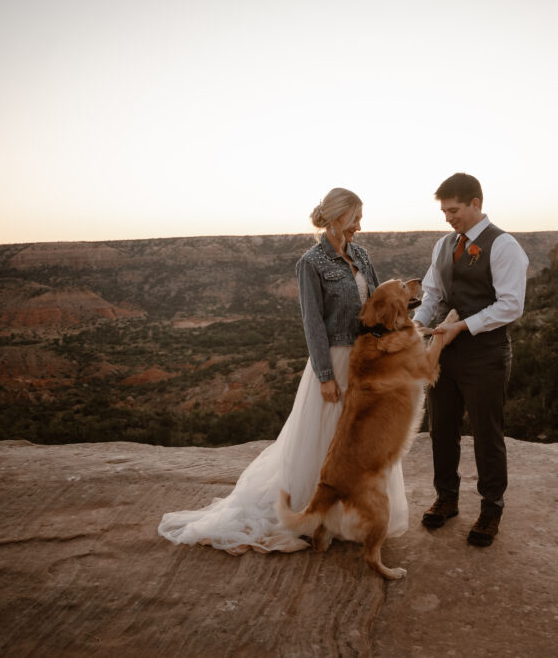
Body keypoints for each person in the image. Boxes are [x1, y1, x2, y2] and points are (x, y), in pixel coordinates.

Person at [158, 188, 408, 554]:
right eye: (355, 217)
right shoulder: (311, 263)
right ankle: (322, 516)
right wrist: (325, 376)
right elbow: (313, 325)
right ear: (338, 217)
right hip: (336, 363)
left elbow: (379, 304)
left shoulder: (362, 256)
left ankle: (359, 514)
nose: (359, 225)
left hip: (367, 362)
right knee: (330, 441)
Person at [412, 173, 529, 547]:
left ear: (476, 203)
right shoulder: (444, 246)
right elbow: (432, 294)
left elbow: (511, 305)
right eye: (444, 211)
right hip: (443, 354)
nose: (448, 218)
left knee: (486, 434)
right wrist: (415, 325)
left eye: (454, 210)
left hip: (485, 355)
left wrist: (463, 326)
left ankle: (490, 510)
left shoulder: (504, 246)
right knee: (441, 429)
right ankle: (446, 499)